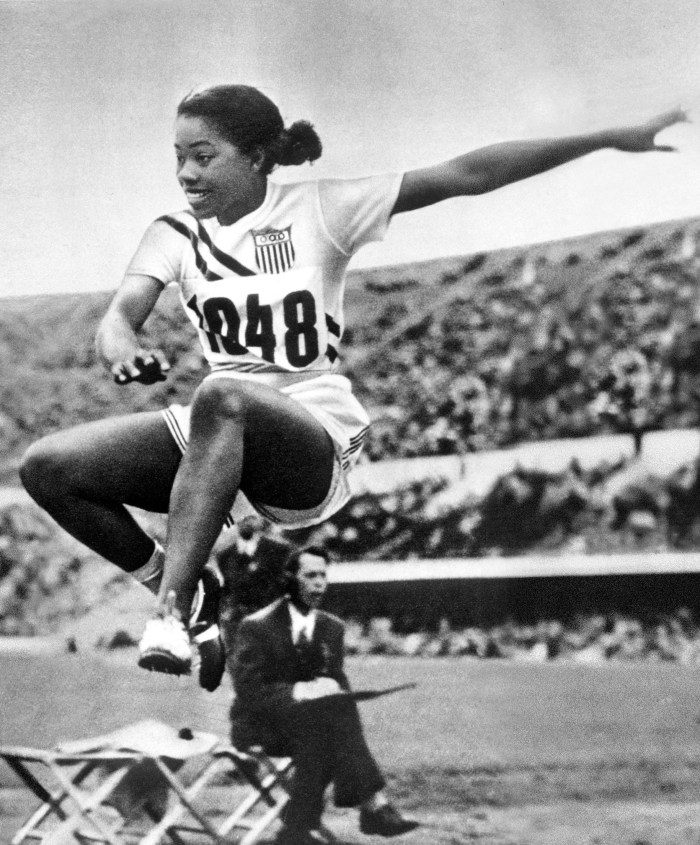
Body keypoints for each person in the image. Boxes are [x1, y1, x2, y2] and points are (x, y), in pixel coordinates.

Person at [18, 82, 688, 678]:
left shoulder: (323, 210)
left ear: (255, 157)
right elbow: (117, 317)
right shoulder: (170, 235)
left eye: (204, 156)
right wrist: (122, 344)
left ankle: (168, 615)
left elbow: (470, 174)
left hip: (306, 435)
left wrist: (605, 138)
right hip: (216, 429)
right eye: (178, 156)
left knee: (220, 396)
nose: (186, 174)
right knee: (48, 467)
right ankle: (186, 589)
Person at [229, 546, 419, 845]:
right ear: (290, 579)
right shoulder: (257, 626)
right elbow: (248, 690)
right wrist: (299, 691)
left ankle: (296, 831)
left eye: (323, 575)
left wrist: (331, 689)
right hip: (262, 725)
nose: (319, 583)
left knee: (329, 721)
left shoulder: (332, 628)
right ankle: (372, 807)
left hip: (312, 725)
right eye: (310, 575)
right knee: (330, 727)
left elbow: (337, 682)